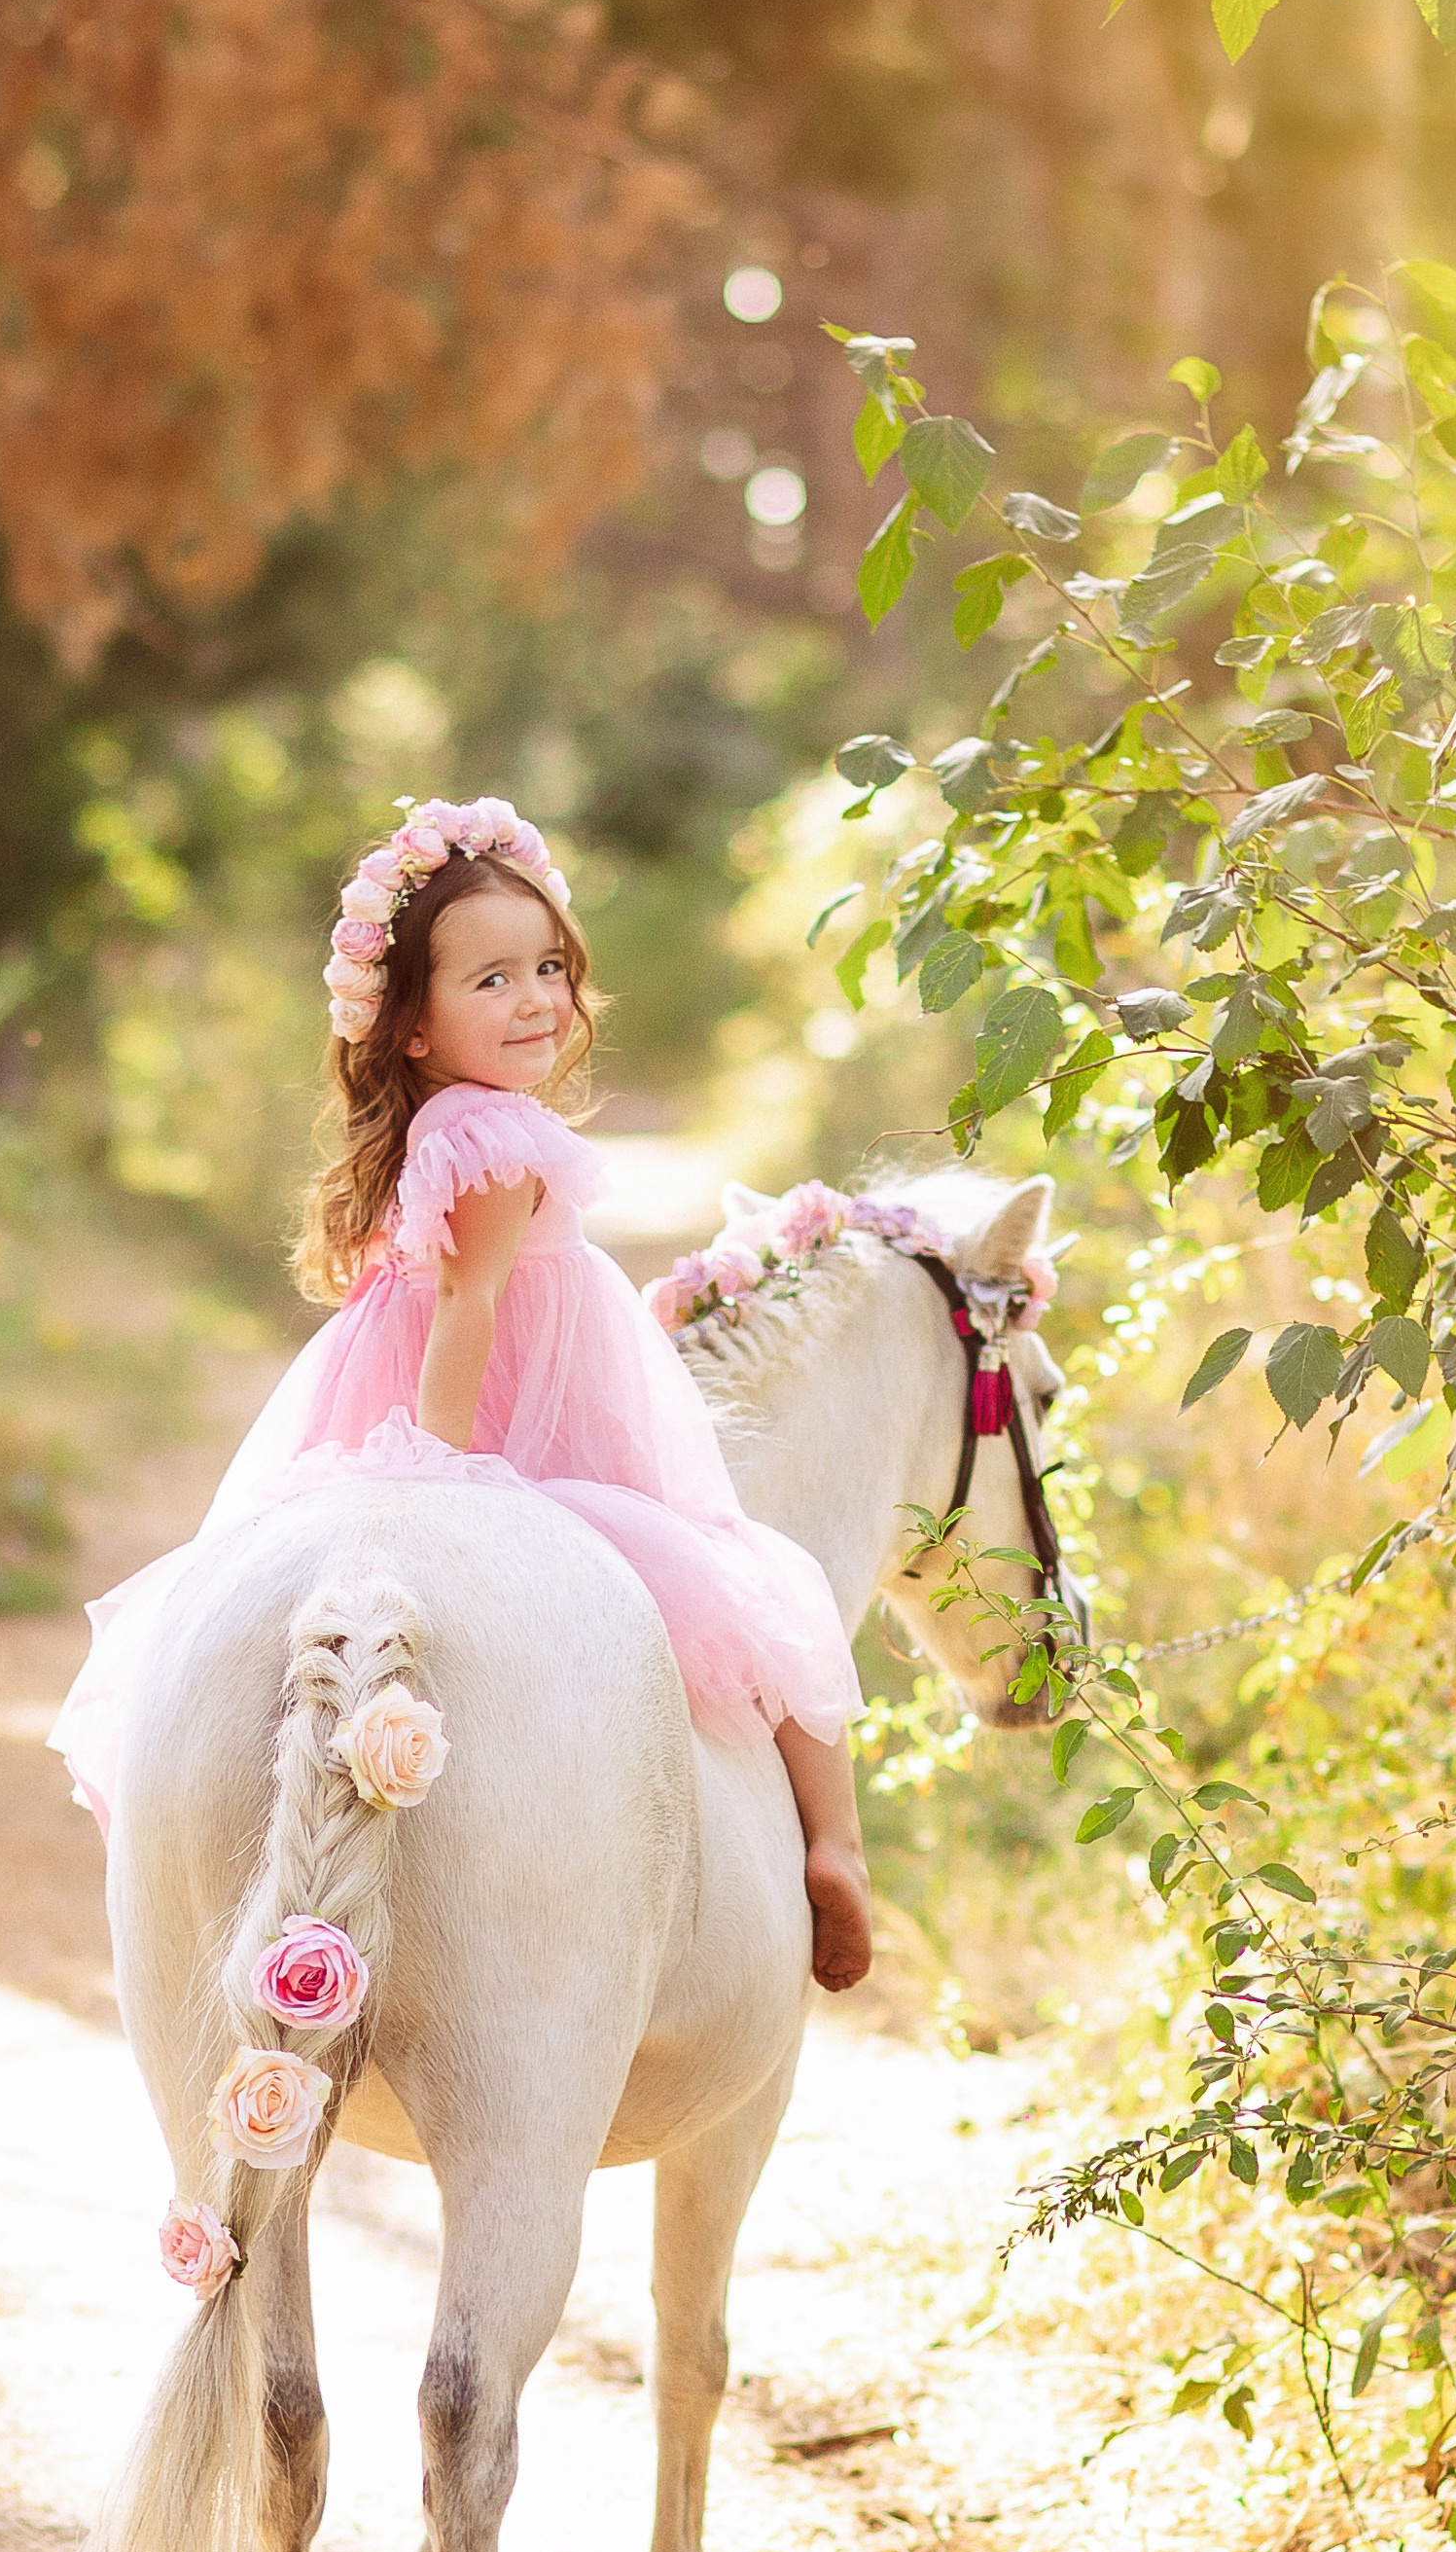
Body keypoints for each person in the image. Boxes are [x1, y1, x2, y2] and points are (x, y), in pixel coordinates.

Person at [50, 795, 871, 1992]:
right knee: (748, 1590)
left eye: (548, 966)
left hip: (410, 1396)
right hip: (497, 1419)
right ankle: (833, 1843)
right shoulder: (495, 1139)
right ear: (414, 1026)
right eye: (489, 981)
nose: (536, 998)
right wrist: (438, 1476)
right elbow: (469, 1309)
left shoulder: (436, 1126)